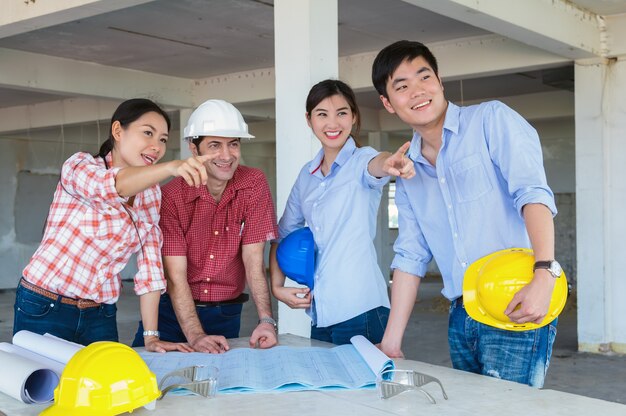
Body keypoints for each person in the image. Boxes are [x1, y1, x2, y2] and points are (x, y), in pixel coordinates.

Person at [372, 40, 560, 387]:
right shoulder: (407, 167)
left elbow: (532, 194)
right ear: (387, 103)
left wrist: (544, 274)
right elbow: (411, 254)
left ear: (440, 81)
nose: (417, 91)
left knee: (509, 412)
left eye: (424, 76)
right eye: (402, 86)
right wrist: (391, 340)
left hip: (516, 300)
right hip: (461, 313)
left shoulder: (491, 120)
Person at [14, 98, 214, 353]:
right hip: (44, 304)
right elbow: (113, 185)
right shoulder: (80, 166)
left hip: (101, 314)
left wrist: (151, 336)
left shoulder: (151, 194)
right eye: (148, 133)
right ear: (118, 131)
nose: (156, 146)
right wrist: (172, 167)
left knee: (102, 388)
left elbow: (150, 266)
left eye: (163, 139)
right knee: (43, 388)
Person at [269, 79, 415, 345]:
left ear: (354, 117)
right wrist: (277, 288)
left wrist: (390, 162)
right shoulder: (307, 175)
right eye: (322, 114)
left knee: (363, 387)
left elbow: (378, 164)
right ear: (309, 119)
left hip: (362, 309)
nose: (332, 123)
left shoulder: (362, 160)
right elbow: (283, 233)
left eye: (342, 113)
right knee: (330, 387)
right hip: (321, 312)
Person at [132, 99, 279, 353]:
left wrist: (266, 320)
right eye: (214, 145)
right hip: (171, 312)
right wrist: (196, 334)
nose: (226, 155)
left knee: (218, 386)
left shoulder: (254, 183)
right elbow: (175, 275)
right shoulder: (171, 195)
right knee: (143, 380)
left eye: (233, 144)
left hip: (226, 312)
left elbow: (254, 259)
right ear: (193, 148)